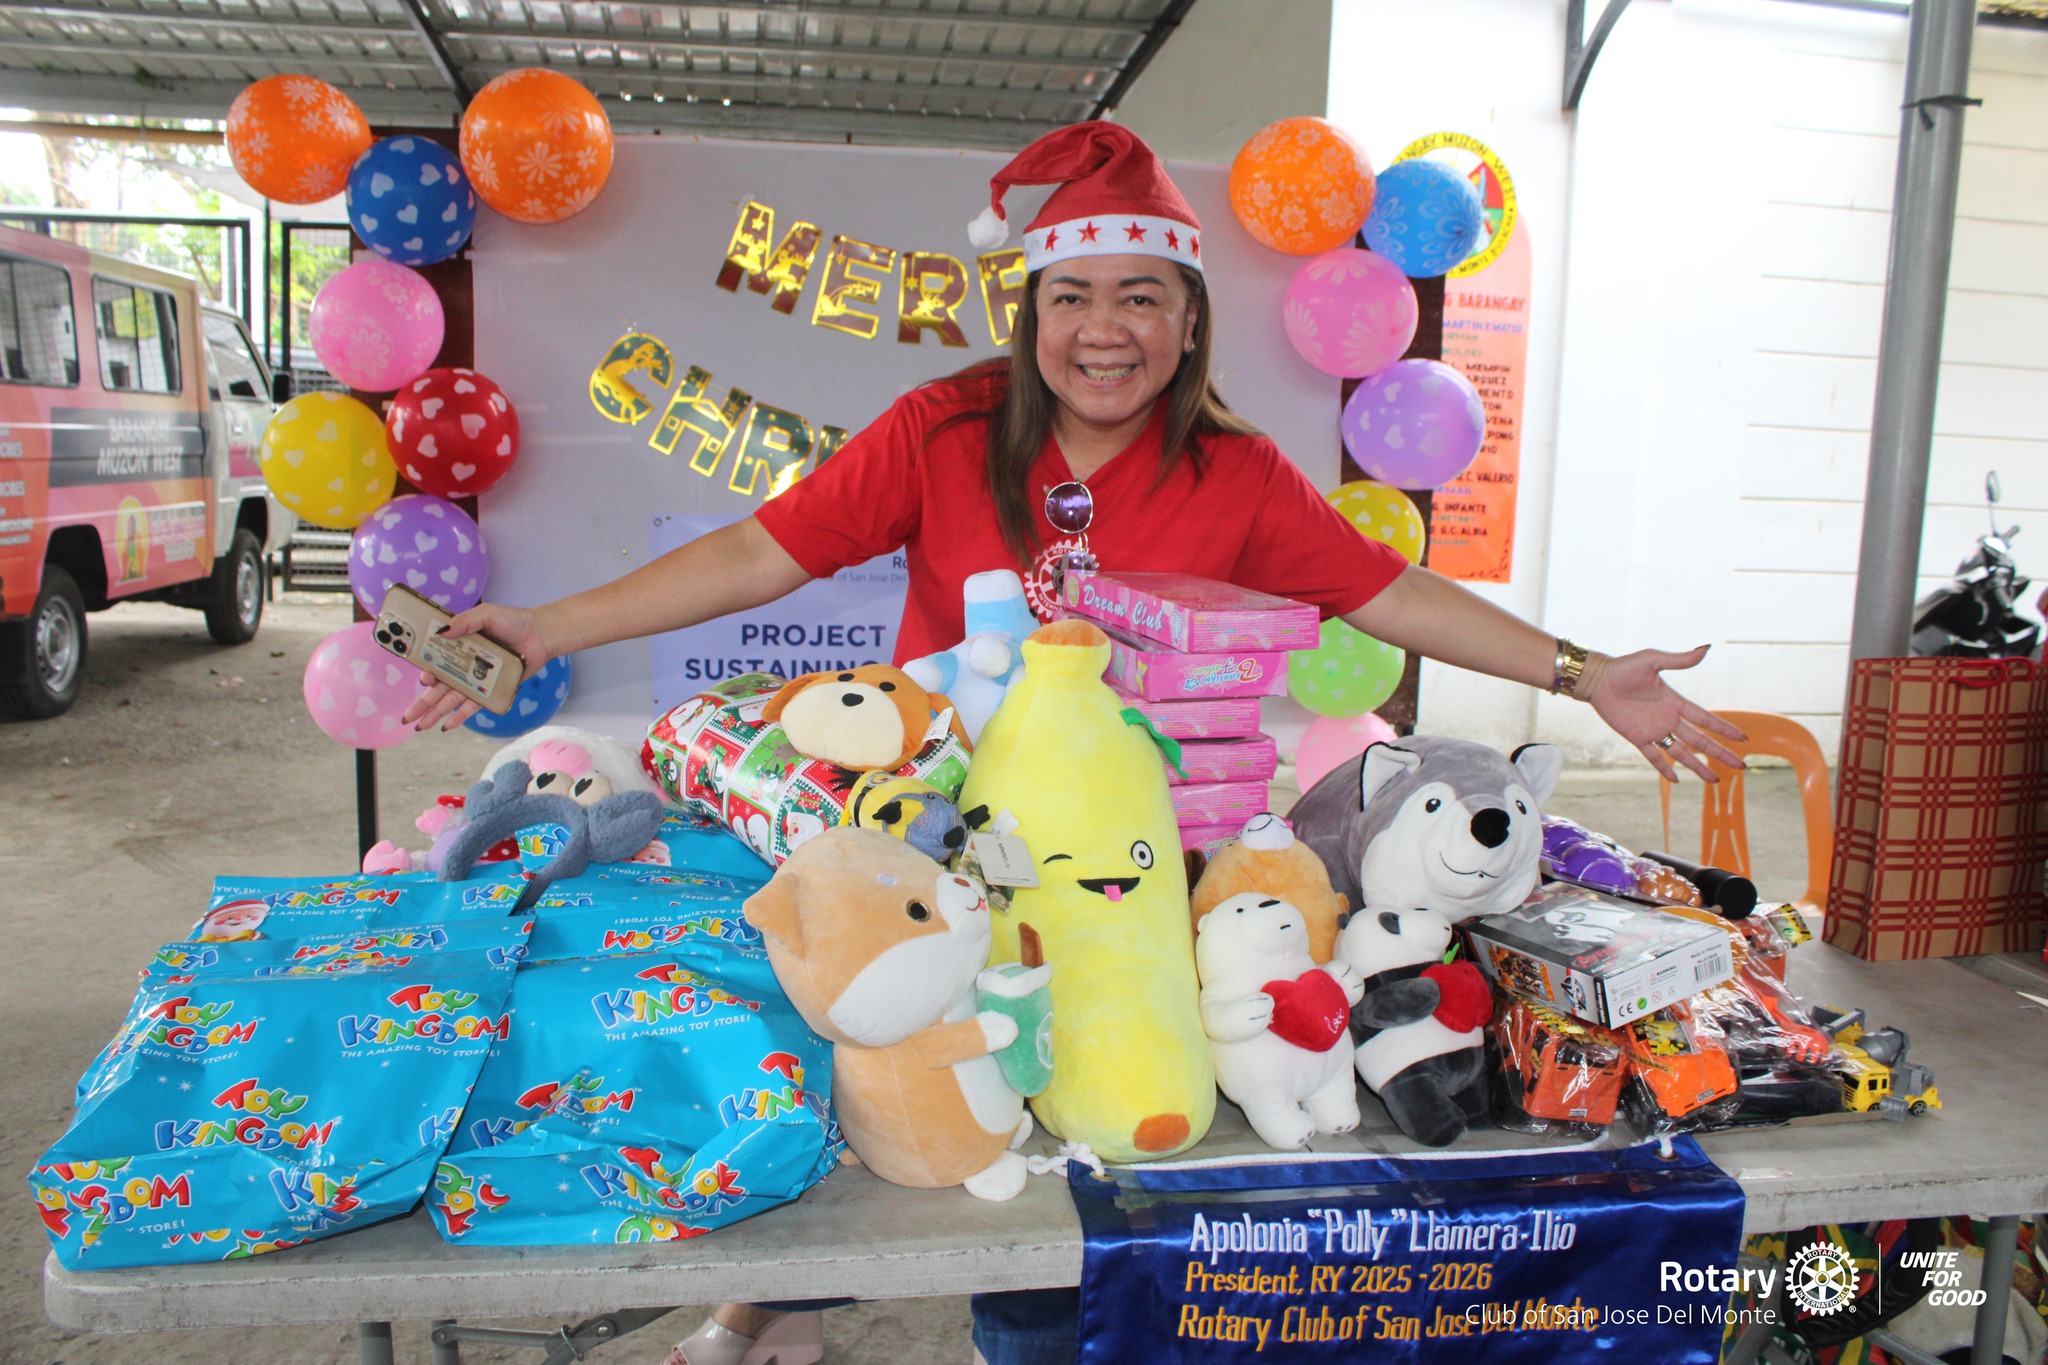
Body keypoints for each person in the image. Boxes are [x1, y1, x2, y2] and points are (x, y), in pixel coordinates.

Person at [402, 121, 1743, 1365]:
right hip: (953, 843)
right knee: (887, 1056)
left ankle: (1028, 1331)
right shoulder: (945, 430)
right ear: (1031, 310)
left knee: (1080, 1142)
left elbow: (1387, 592)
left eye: (1141, 297)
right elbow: (763, 550)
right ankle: (785, 1301)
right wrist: (546, 623)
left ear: (1190, 318)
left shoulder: (1236, 472)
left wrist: (1580, 673)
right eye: (1073, 297)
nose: (1105, 330)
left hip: (1137, 865)